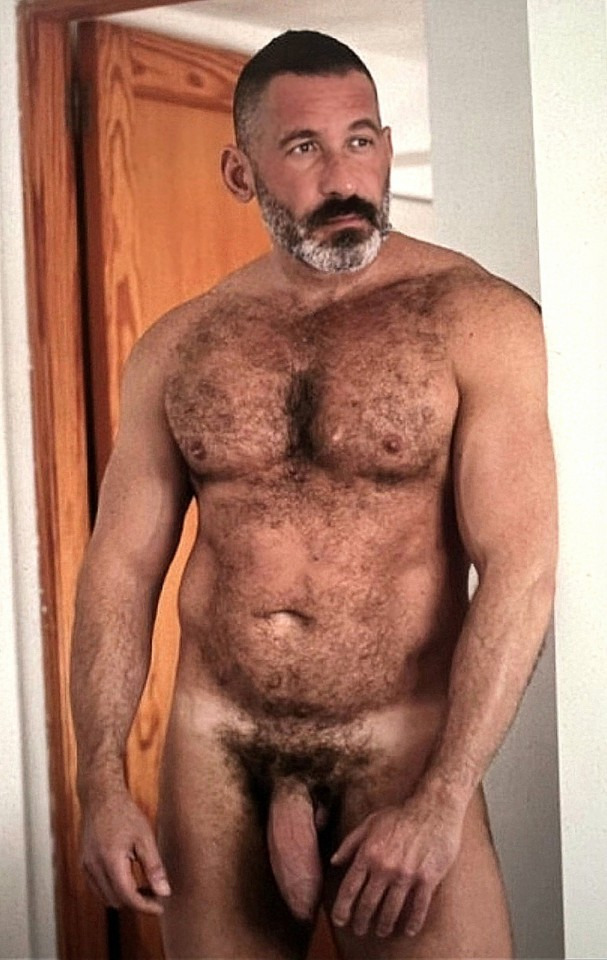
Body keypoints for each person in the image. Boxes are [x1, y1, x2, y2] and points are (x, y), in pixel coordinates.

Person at [71, 29, 557, 960]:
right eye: (303, 148)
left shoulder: (477, 319)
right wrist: (100, 781)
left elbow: (520, 569)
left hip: (400, 753)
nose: (343, 178)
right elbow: (119, 570)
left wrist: (444, 796)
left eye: (360, 140)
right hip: (216, 752)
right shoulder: (179, 345)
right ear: (241, 171)